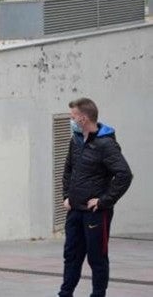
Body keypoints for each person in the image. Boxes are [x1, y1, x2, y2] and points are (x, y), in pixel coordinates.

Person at [57, 97, 133, 297]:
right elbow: (68, 171)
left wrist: (103, 201)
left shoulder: (106, 144)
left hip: (96, 214)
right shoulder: (76, 141)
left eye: (72, 116)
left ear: (83, 118)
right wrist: (66, 196)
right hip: (74, 211)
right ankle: (65, 294)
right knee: (71, 256)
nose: (70, 120)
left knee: (97, 258)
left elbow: (124, 174)